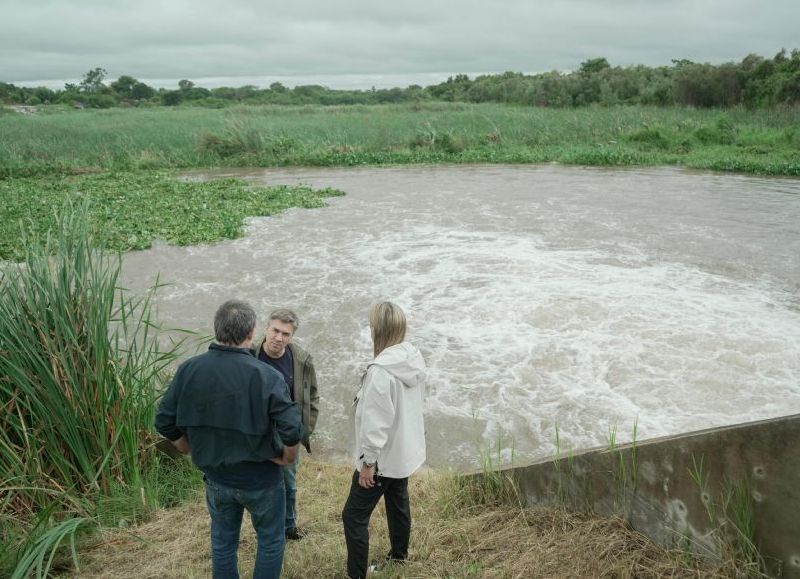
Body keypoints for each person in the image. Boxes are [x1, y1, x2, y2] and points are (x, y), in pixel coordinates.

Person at [155, 299, 302, 579]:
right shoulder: (267, 376)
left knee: (223, 544)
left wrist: (184, 446)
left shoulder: (189, 369)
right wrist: (288, 457)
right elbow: (293, 429)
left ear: (217, 329)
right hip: (262, 480)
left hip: (217, 479)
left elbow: (163, 420)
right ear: (251, 333)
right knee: (270, 541)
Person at [341, 302, 427, 579]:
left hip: (383, 459)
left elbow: (376, 424)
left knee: (353, 516)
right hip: (403, 453)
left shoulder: (381, 371)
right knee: (398, 501)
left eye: (371, 327)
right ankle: (399, 556)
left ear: (378, 330)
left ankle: (356, 575)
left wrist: (368, 462)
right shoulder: (411, 359)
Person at [250, 308, 320, 541]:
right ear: (266, 328)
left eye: (286, 334)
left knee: (288, 484)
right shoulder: (249, 355)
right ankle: (264, 530)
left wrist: (304, 430)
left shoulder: (301, 360)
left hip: (286, 434)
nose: (279, 338)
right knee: (257, 484)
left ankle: (289, 527)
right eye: (275, 331)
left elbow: (312, 397)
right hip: (256, 432)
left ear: (292, 336)